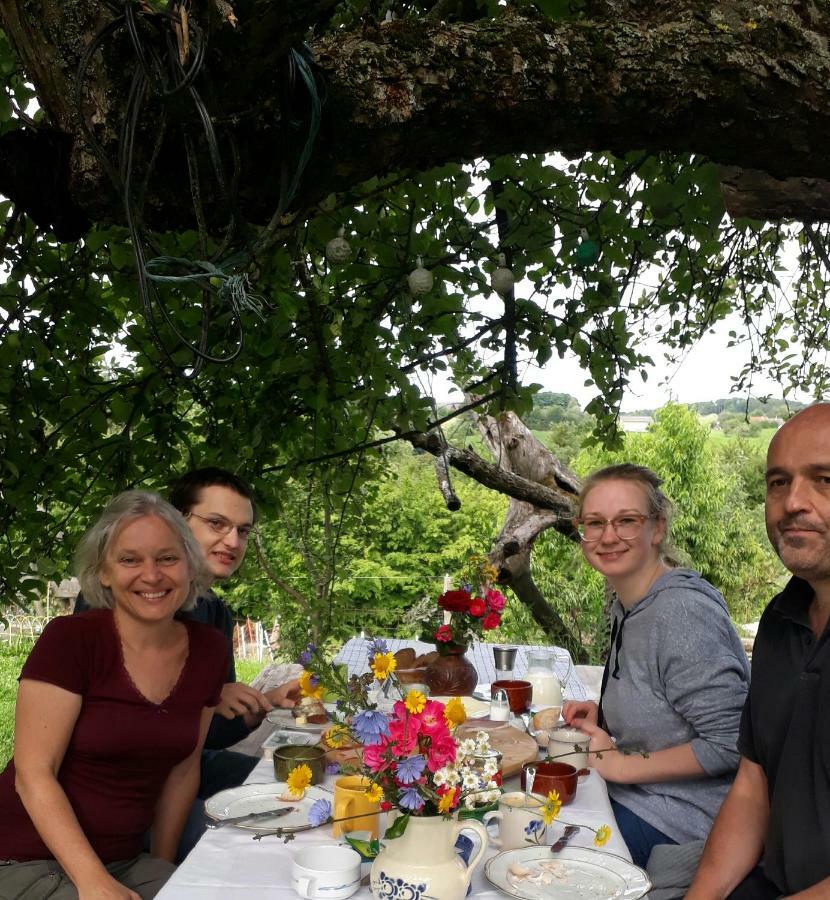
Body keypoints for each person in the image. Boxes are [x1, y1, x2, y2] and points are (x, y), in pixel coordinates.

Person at [0, 491, 228, 899]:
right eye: (130, 560)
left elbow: (182, 771)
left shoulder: (209, 650)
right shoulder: (72, 640)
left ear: (190, 567)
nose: (152, 575)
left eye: (167, 558)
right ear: (103, 572)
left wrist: (161, 866)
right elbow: (34, 774)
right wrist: (92, 882)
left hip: (124, 860)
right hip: (23, 857)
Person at [75, 468, 299, 860]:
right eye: (217, 523)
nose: (232, 541)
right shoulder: (115, 599)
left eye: (243, 531)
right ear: (175, 521)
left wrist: (259, 705)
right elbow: (102, 725)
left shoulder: (214, 615)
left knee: (289, 794)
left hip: (183, 770)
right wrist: (195, 696)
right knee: (250, 845)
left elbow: (205, 736)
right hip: (109, 793)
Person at [562, 463, 750, 869]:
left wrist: (623, 764)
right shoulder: (626, 603)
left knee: (538, 855)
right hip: (634, 797)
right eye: (594, 523)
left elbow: (733, 742)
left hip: (683, 820)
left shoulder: (681, 613)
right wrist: (608, 715)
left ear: (657, 528)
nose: (608, 536)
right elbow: (662, 699)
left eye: (626, 521)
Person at [687, 404, 830, 899]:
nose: (793, 502)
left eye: (824, 479)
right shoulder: (780, 621)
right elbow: (753, 786)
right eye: (777, 482)